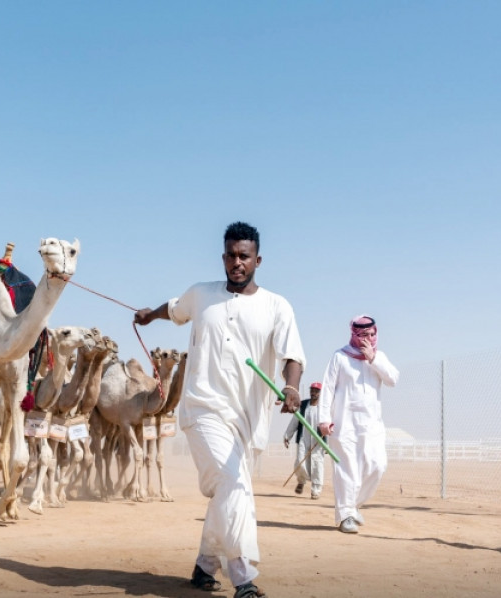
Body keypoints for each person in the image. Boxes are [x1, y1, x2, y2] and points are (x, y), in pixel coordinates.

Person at [134, 221, 305, 598]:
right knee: (233, 484)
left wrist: (291, 387)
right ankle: (243, 577)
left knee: (230, 490)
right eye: (230, 255)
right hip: (202, 409)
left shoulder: (277, 306)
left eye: (244, 256)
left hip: (247, 421)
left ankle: (204, 565)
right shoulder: (202, 294)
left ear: (257, 259)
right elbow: (175, 309)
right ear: (223, 257)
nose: (236, 263)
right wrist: (150, 315)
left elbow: (293, 355)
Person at [318, 315, 399, 534]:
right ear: (355, 335)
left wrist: (373, 358)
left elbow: (393, 379)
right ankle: (346, 515)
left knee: (377, 465)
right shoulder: (340, 356)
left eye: (372, 335)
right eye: (364, 335)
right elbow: (327, 389)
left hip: (372, 425)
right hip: (343, 424)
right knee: (347, 470)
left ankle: (353, 506)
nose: (369, 339)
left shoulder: (378, 356)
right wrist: (323, 419)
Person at [283, 382, 326, 499]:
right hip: (303, 438)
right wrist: (287, 436)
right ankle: (301, 481)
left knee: (317, 464)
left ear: (320, 393)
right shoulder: (303, 405)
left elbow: (329, 425)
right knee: (300, 460)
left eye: (316, 391)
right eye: (312, 390)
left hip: (318, 440)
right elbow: (295, 421)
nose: (314, 393)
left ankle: (316, 490)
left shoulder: (324, 408)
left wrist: (329, 444)